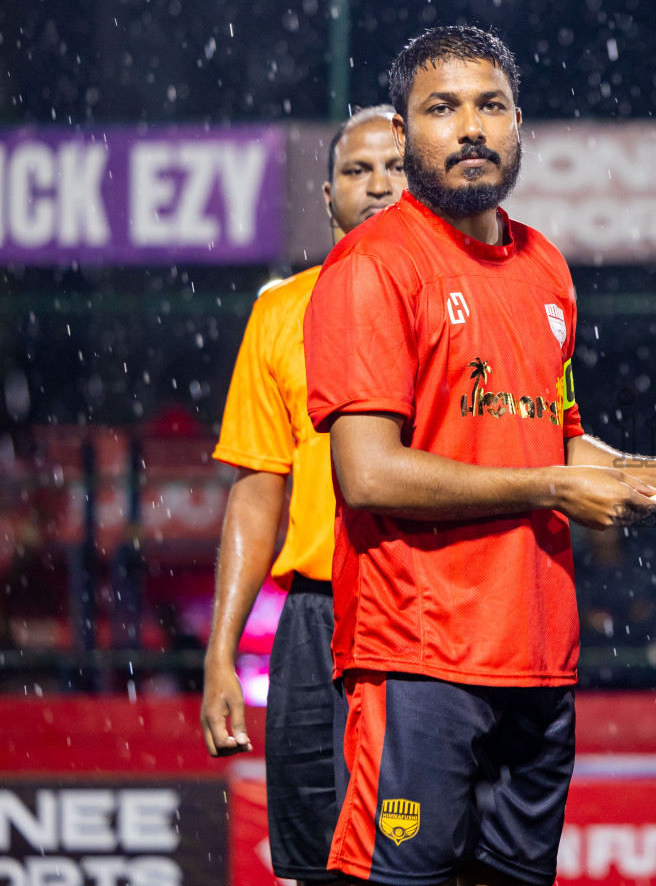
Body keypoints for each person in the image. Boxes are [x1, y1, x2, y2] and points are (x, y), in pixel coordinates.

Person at [303, 25, 656, 886]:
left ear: (519, 122)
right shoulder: (369, 268)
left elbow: (556, 437)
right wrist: (552, 485)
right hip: (420, 657)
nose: (471, 128)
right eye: (443, 108)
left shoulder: (545, 267)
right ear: (404, 129)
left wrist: (652, 476)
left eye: (490, 106)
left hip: (539, 655)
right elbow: (369, 472)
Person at [201, 104, 406, 884]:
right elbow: (259, 490)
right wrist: (221, 654)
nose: (378, 185)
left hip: (422, 607)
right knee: (317, 866)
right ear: (327, 197)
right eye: (358, 171)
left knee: (426, 857)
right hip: (315, 618)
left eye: (395, 168)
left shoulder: (461, 303)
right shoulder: (281, 311)